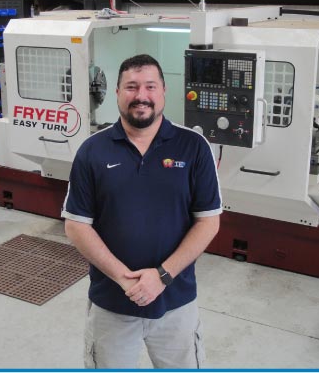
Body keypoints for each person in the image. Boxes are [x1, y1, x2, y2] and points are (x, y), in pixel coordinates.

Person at [62, 54, 222, 369]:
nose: (141, 96)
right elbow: (77, 226)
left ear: (163, 91)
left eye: (150, 86)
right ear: (118, 93)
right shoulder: (92, 151)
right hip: (111, 304)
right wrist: (125, 280)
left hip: (176, 302)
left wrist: (162, 276)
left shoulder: (193, 147)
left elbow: (208, 222)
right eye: (131, 87)